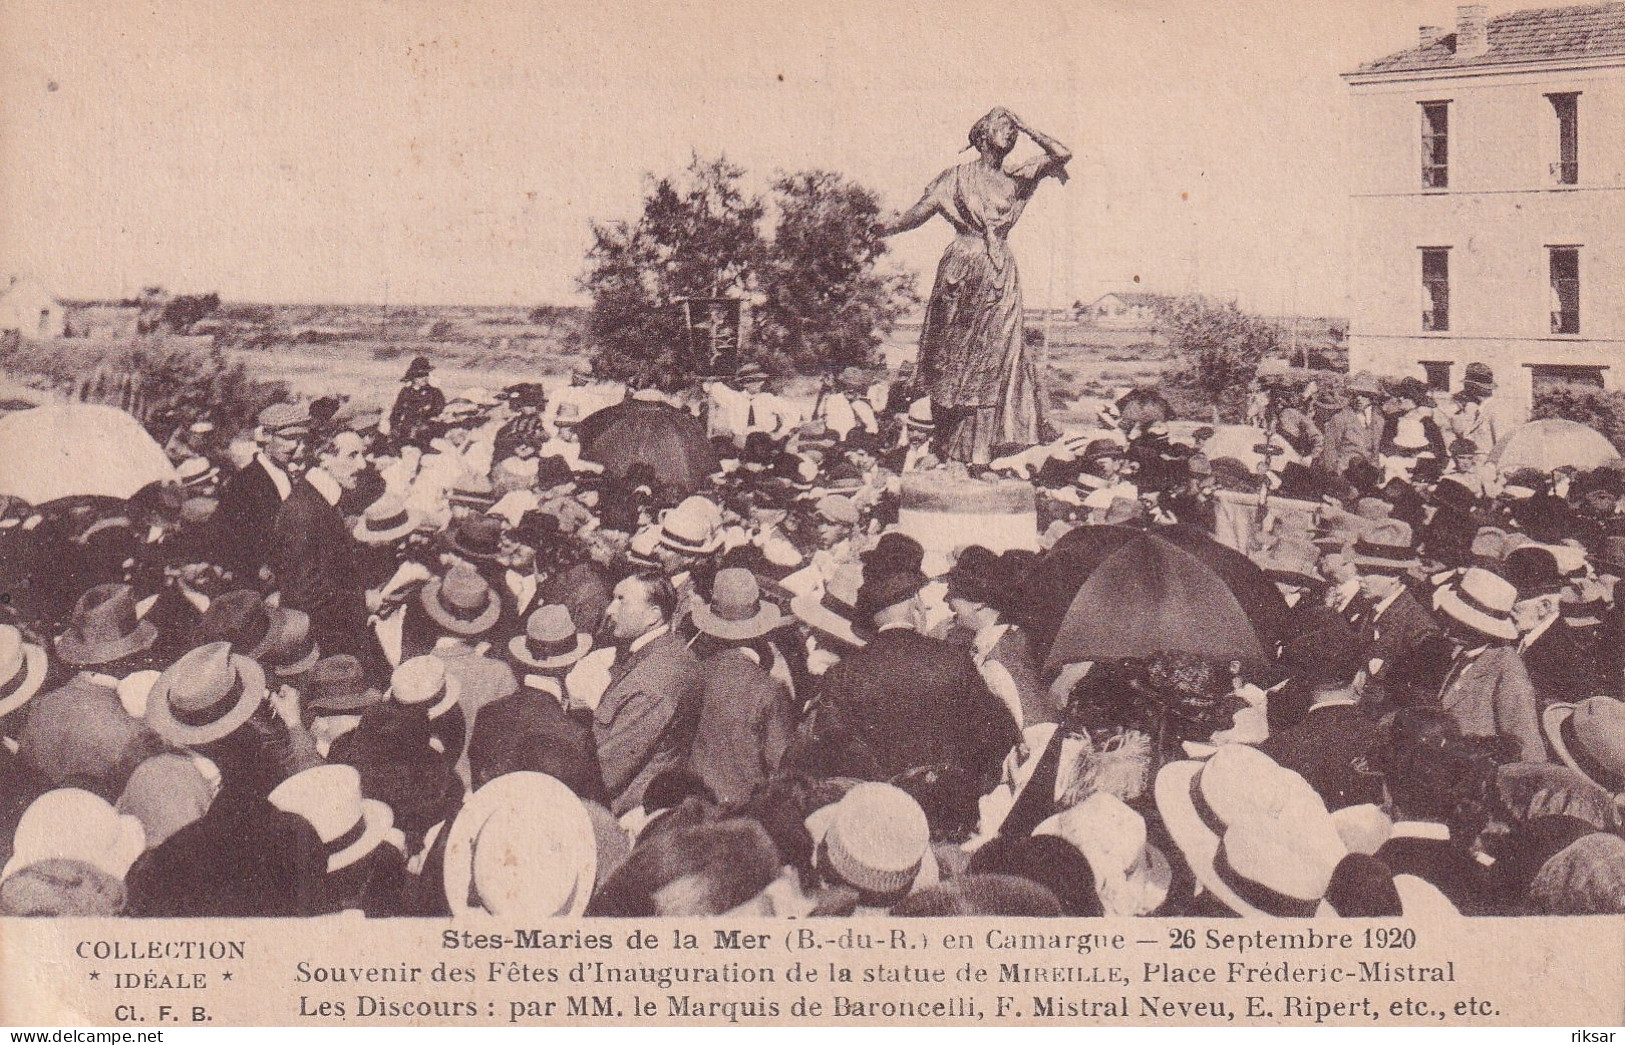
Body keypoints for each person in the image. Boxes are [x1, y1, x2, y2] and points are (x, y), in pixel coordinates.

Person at [877, 107, 1070, 464]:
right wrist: (887, 228)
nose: (1010, 134)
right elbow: (920, 210)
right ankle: (946, 447)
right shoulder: (954, 178)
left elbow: (1061, 154)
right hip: (961, 272)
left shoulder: (1017, 178)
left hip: (999, 275)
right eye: (1003, 127)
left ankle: (981, 453)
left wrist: (1027, 125)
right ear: (982, 137)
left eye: (1014, 130)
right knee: (951, 360)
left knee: (996, 359)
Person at [594, 573, 703, 816]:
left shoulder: (655, 677)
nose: (610, 610)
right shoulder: (661, 653)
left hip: (624, 811)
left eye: (622, 600)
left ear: (653, 615)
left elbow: (609, 768)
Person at [267, 431, 374, 666]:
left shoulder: (320, 501)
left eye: (362, 455)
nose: (362, 464)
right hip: (328, 648)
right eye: (352, 456)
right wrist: (362, 601)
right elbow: (306, 594)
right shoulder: (304, 511)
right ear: (323, 457)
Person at [209, 403, 306, 582]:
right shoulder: (243, 483)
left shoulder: (288, 476)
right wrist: (255, 568)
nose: (294, 445)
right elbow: (225, 539)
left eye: (299, 439)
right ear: (267, 436)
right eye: (288, 437)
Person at [1316, 372, 1385, 476]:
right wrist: (1334, 475)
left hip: (1369, 476)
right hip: (1344, 473)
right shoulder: (1340, 418)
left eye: (1364, 395)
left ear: (1372, 397)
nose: (1359, 398)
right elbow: (1329, 450)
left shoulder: (1379, 419)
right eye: (1356, 394)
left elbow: (1376, 451)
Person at [388, 356, 445, 452]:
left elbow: (439, 410)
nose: (424, 378)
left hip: (426, 428)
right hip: (406, 428)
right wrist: (394, 426)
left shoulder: (434, 392)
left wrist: (425, 419)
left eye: (426, 374)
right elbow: (396, 412)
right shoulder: (405, 392)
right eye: (420, 375)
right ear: (413, 377)